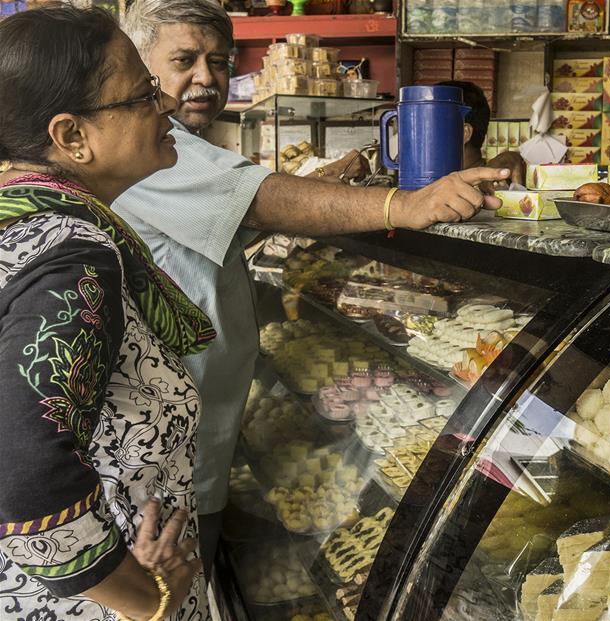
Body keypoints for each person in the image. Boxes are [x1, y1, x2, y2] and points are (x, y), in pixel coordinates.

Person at [115, 0, 510, 573]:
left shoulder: (179, 146)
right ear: (140, 66)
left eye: (219, 61)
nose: (204, 77)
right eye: (183, 60)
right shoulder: (152, 148)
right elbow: (259, 200)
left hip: (194, 428)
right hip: (166, 447)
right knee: (166, 587)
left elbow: (247, 210)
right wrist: (406, 202)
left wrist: (325, 192)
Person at [0, 6, 213, 620]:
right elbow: (24, 471)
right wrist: (146, 600)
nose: (167, 105)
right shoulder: (72, 257)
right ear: (72, 137)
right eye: (143, 94)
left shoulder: (21, 225)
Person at [438, 80, 527, 189]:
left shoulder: (498, 186)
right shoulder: (432, 184)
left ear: (463, 134)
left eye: (427, 129)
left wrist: (514, 158)